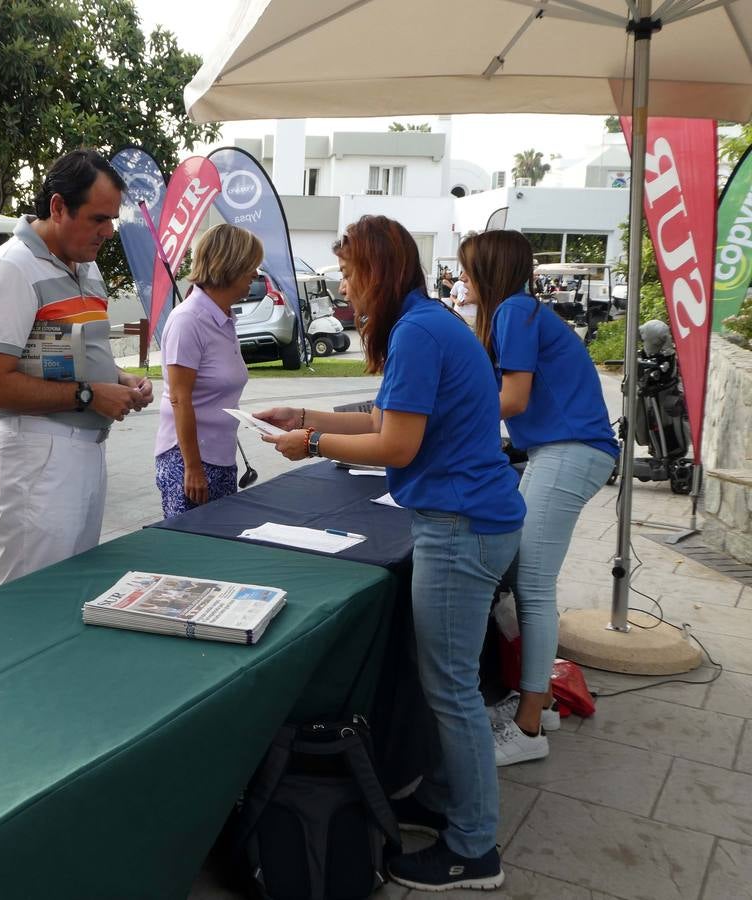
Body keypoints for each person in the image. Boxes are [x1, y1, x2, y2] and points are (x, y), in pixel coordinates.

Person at [258, 215, 523, 893]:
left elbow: (396, 449)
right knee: (447, 680)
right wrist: (309, 419)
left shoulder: (416, 332)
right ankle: (442, 798)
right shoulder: (429, 324)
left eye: (349, 274)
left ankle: (473, 848)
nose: (345, 288)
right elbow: (384, 420)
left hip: (460, 525)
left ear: (378, 269)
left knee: (451, 690)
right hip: (474, 517)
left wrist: (311, 449)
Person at [458, 231, 619, 766]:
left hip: (570, 450)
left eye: (466, 270)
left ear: (489, 271)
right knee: (528, 575)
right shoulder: (520, 312)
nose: (461, 280)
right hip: (563, 449)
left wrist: (447, 423)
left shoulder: (514, 311)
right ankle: (540, 702)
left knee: (531, 583)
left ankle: (528, 730)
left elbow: (513, 398)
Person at [0, 149, 152, 584]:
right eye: (98, 219)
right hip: (37, 451)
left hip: (82, 449)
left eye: (112, 220)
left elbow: (78, 358)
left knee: (70, 589)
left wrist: (120, 380)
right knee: (33, 600)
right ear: (57, 206)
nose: (108, 232)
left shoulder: (85, 267)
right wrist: (89, 394)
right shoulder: (12, 269)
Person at [154, 224, 260, 517]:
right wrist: (193, 467)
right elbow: (179, 398)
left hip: (220, 457)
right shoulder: (188, 320)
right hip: (189, 462)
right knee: (190, 552)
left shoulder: (223, 318)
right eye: (251, 265)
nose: (256, 273)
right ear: (231, 264)